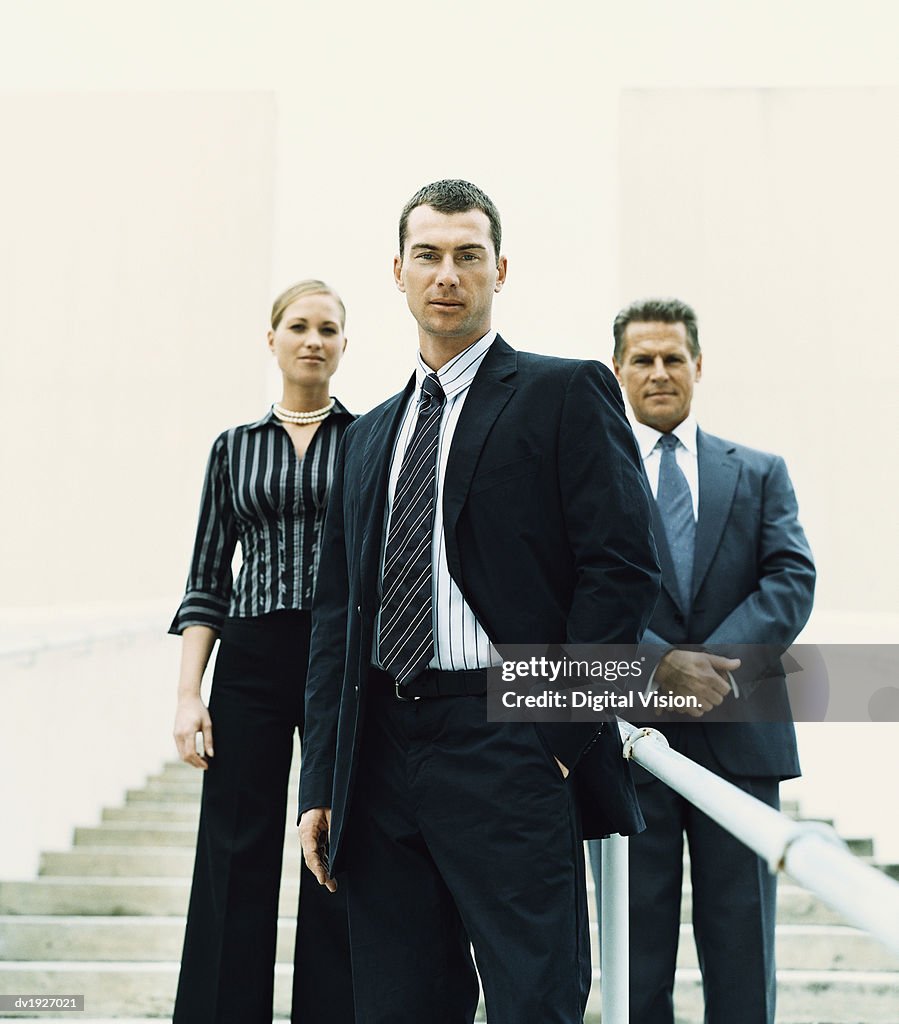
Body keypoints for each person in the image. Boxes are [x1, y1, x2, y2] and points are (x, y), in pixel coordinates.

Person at [297, 180, 660, 1024]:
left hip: (508, 736)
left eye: (467, 256)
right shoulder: (367, 436)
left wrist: (564, 732)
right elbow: (334, 617)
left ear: (499, 269)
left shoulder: (564, 392)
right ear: (397, 272)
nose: (447, 274)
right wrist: (322, 780)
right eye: (427, 255)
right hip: (381, 752)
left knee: (533, 997)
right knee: (397, 1004)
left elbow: (622, 568)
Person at [588, 297, 816, 1024]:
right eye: (642, 359)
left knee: (742, 948)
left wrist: (705, 668)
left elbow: (790, 579)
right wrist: (659, 665)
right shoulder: (587, 478)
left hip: (742, 736)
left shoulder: (758, 471)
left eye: (672, 358)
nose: (658, 372)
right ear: (618, 370)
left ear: (697, 365)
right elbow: (577, 589)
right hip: (627, 742)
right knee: (637, 953)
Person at [169, 279, 356, 1024]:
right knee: (235, 842)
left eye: (329, 329)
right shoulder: (233, 448)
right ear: (272, 338)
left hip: (341, 658)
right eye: (299, 327)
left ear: (345, 344)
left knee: (338, 841)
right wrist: (190, 694)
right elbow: (206, 579)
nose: (314, 340)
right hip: (249, 656)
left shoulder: (369, 437)